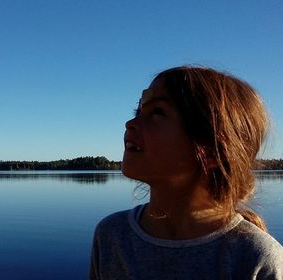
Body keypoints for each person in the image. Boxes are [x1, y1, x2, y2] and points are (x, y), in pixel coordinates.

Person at [89, 66, 283, 280]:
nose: (130, 123)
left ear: (212, 151)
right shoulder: (112, 236)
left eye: (157, 112)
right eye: (138, 111)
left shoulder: (255, 257)